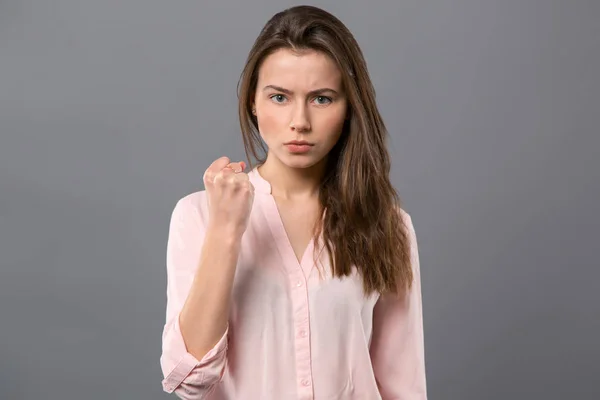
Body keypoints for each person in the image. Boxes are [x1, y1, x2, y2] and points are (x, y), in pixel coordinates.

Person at [160, 5, 427, 399]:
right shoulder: (198, 216)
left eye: (321, 99)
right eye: (280, 97)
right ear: (254, 101)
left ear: (349, 108)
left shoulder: (388, 224)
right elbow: (189, 380)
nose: (299, 121)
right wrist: (226, 231)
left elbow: (403, 385)